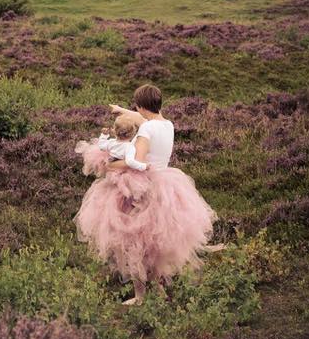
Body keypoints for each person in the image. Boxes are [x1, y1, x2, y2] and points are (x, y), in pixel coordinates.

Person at [74, 84, 217, 305]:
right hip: (165, 185)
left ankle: (140, 296)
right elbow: (144, 119)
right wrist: (122, 110)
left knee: (133, 242)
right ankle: (158, 290)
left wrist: (109, 166)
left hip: (141, 188)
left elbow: (137, 161)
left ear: (141, 106)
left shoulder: (145, 130)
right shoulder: (167, 124)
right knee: (156, 242)